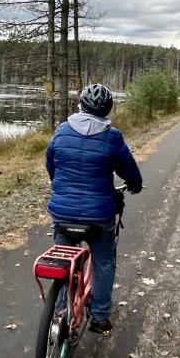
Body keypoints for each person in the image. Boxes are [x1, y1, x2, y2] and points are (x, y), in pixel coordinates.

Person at [45, 83, 143, 334]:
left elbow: (51, 164)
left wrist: (59, 183)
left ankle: (59, 313)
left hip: (62, 210)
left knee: (63, 259)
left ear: (81, 105)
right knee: (103, 262)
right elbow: (129, 171)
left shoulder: (62, 130)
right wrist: (134, 185)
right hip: (99, 215)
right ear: (107, 110)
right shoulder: (112, 137)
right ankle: (100, 318)